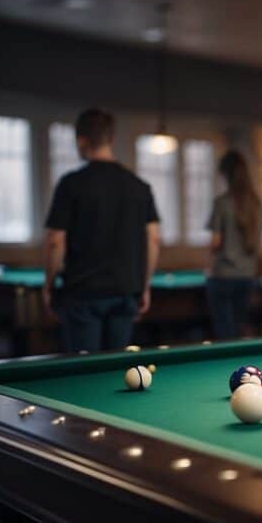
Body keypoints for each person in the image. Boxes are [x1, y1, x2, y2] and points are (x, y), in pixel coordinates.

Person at [43, 109, 161, 352]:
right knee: (114, 368)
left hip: (82, 294)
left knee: (84, 372)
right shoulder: (139, 186)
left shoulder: (71, 184)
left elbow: (56, 241)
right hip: (125, 292)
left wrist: (48, 285)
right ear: (111, 139)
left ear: (81, 140)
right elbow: (154, 240)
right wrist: (145, 286)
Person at [205, 150, 262, 339]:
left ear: (225, 175)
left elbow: (215, 243)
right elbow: (260, 244)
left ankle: (227, 366)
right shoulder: (257, 204)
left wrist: (207, 266)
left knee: (224, 331)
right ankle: (239, 367)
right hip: (247, 275)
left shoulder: (222, 203)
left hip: (223, 276)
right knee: (239, 328)